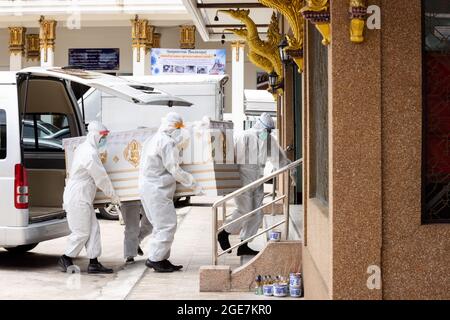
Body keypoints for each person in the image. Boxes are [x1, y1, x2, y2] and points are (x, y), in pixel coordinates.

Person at [217, 113, 294, 256]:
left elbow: (278, 157)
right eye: (266, 130)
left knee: (257, 214)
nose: (267, 133)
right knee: (245, 210)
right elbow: (232, 159)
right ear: (259, 126)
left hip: (258, 179)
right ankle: (224, 233)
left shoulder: (268, 139)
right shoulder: (244, 136)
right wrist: (229, 180)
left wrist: (290, 168)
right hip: (242, 179)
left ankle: (244, 244)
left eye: (270, 131)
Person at [139, 112, 202, 272]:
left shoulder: (154, 138)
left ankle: (161, 258)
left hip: (148, 187)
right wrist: (194, 185)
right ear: (174, 128)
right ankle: (155, 259)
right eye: (179, 128)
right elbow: (174, 169)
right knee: (167, 225)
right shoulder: (167, 142)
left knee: (160, 226)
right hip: (157, 189)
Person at [58, 121, 121, 274]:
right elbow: (101, 177)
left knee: (93, 229)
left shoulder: (87, 148)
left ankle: (94, 263)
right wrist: (113, 196)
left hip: (83, 197)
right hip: (77, 197)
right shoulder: (89, 153)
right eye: (103, 136)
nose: (104, 139)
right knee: (81, 231)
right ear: (95, 135)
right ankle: (66, 258)